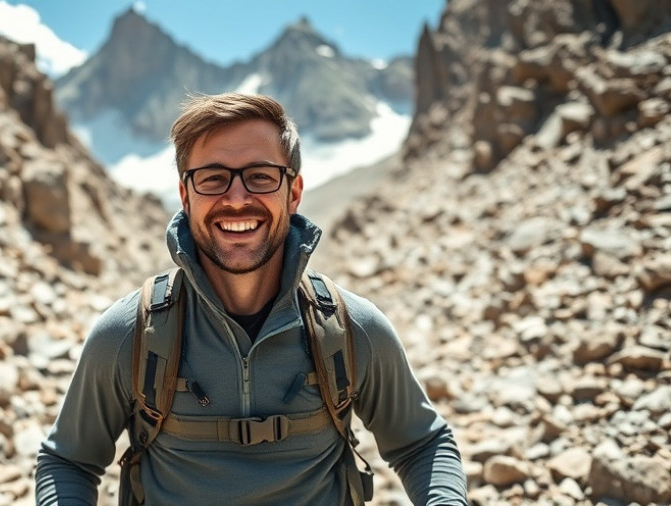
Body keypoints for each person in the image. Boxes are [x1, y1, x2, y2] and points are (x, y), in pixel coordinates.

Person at [35, 92, 468, 505]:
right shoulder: (130, 333)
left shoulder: (351, 328)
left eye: (260, 176)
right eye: (213, 179)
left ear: (293, 192)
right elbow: (68, 460)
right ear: (185, 196)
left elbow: (421, 443)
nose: (237, 199)